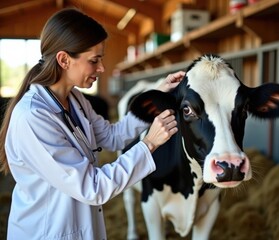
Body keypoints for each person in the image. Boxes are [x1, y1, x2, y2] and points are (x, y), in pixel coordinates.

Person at [0, 8, 185, 240]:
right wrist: (148, 144)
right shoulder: (32, 117)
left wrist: (156, 95)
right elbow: (92, 187)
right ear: (64, 60)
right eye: (94, 60)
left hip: (80, 227)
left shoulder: (75, 99)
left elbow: (112, 136)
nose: (102, 69)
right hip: (48, 232)